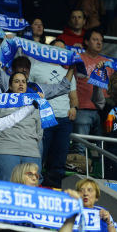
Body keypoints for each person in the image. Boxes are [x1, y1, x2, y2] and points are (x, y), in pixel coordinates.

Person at [29, 39, 78, 188]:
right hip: (43, 118)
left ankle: (56, 188)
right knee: (39, 156)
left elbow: (74, 98)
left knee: (59, 160)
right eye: (56, 49)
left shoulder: (68, 73)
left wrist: (74, 108)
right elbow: (27, 91)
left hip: (64, 120)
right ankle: (34, 186)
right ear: (49, 50)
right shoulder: (36, 67)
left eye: (63, 50)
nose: (60, 53)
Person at [0, 72, 43, 182]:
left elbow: (39, 133)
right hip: (5, 152)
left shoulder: (36, 106)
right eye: (17, 81)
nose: (21, 84)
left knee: (31, 190)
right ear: (10, 86)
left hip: (31, 153)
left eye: (23, 82)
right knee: (6, 189)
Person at [70, 28, 114, 156]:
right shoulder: (78, 59)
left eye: (101, 40)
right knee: (79, 147)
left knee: (105, 148)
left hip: (104, 111)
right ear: (86, 41)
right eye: (95, 40)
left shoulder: (109, 64)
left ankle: (104, 174)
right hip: (82, 109)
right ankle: (79, 173)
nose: (99, 43)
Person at [10, 163, 84, 231]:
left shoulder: (43, 198)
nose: (34, 178)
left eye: (36, 176)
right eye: (30, 174)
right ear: (19, 175)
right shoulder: (7, 198)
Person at [0, 51, 75, 99]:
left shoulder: (37, 88)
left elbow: (63, 87)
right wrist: (2, 45)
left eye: (27, 67)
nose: (24, 69)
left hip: (30, 128)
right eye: (20, 66)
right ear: (13, 69)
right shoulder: (7, 82)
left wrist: (72, 66)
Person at [91, 71, 117, 180]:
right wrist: (98, 77)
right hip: (112, 153)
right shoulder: (107, 108)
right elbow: (96, 98)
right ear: (112, 93)